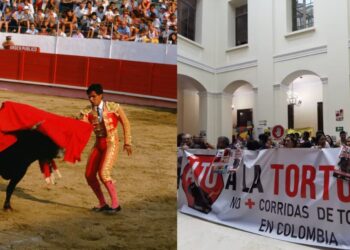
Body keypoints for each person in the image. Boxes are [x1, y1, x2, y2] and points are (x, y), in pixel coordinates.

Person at [78, 83, 132, 213]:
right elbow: (80, 126)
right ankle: (102, 203)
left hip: (112, 143)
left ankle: (115, 204)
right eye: (89, 97)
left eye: (94, 96)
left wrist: (127, 142)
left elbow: (125, 123)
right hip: (98, 143)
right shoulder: (86, 112)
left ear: (101, 95)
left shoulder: (113, 107)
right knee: (89, 175)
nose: (91, 99)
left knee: (104, 173)